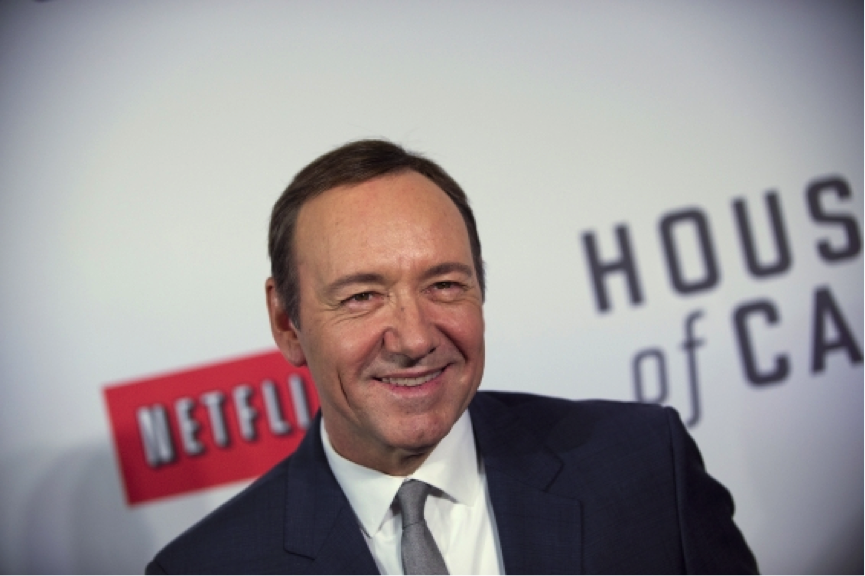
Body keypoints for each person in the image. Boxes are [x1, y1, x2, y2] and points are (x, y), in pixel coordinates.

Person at [146, 140, 759, 575]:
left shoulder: (646, 468)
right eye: (362, 297)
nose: (414, 339)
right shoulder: (206, 568)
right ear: (288, 323)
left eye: (444, 285)